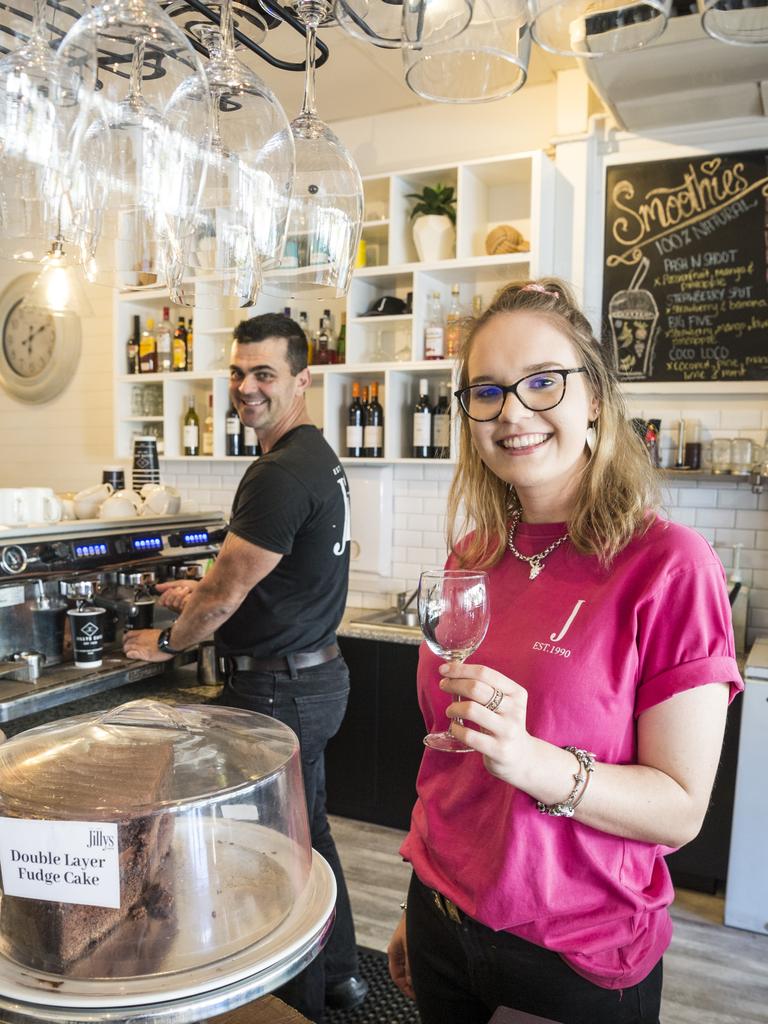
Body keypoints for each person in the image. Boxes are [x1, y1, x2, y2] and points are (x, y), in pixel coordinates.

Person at [387, 279, 743, 1024]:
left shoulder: (670, 565)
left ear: (596, 400)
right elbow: (447, 766)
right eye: (487, 391)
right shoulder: (474, 555)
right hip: (441, 921)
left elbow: (679, 810)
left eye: (542, 382)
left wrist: (535, 763)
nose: (512, 411)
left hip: (573, 954)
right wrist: (418, 894)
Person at [124, 312, 367, 1023]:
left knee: (273, 849)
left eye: (265, 374)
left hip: (278, 686)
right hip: (313, 675)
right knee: (309, 837)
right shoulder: (315, 455)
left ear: (300, 380)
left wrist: (168, 642)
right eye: (238, 372)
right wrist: (195, 591)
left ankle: (296, 1003)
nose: (247, 387)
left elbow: (228, 590)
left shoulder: (278, 472)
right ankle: (345, 975)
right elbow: (247, 576)